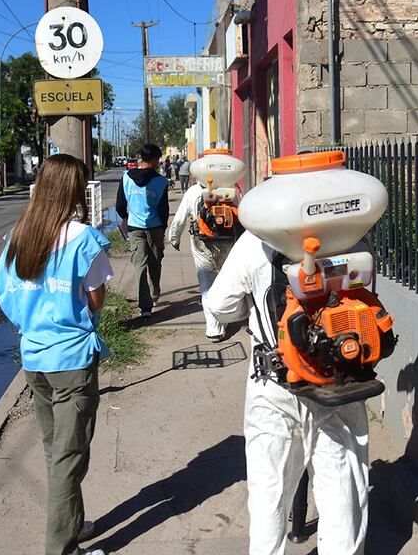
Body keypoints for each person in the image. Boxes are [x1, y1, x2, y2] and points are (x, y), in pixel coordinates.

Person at [205, 230, 369, 555]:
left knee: (270, 492)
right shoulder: (348, 232)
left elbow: (221, 305)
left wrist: (252, 304)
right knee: (340, 488)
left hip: (273, 383)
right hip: (336, 381)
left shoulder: (256, 240)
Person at [0, 154, 112, 555]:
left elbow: (5, 293)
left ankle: (73, 524)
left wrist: (33, 323)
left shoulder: (19, 234)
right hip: (72, 361)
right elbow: (96, 300)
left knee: (56, 449)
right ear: (74, 190)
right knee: (70, 454)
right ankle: (62, 549)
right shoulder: (84, 239)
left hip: (34, 359)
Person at [167, 177, 239, 341]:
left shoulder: (193, 191)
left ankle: (213, 329)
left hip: (201, 243)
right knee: (223, 281)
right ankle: (223, 321)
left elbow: (180, 218)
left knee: (207, 285)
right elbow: (240, 216)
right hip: (226, 242)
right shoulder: (230, 190)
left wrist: (174, 239)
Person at [115, 143, 169, 317]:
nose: (159, 162)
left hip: (134, 228)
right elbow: (164, 210)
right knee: (155, 263)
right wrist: (163, 227)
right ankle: (154, 294)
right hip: (155, 227)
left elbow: (120, 205)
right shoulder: (161, 182)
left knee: (139, 265)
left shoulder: (126, 178)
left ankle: (145, 307)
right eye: (158, 159)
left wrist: (127, 217)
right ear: (153, 160)